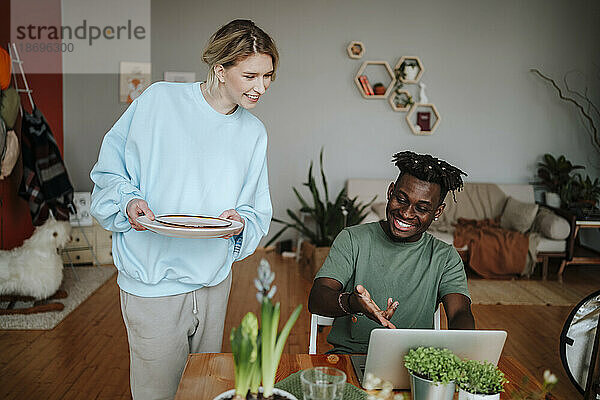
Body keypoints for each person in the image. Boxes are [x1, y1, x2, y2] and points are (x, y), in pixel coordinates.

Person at [89, 19, 277, 399]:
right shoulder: (158, 100)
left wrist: (240, 222)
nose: (262, 87)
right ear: (220, 70)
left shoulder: (254, 132)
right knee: (157, 393)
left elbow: (255, 208)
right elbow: (109, 171)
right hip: (152, 282)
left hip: (213, 282)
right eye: (251, 75)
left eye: (269, 75)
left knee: (205, 390)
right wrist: (128, 201)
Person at [308, 151, 475, 354]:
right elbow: (317, 299)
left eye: (421, 208)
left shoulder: (445, 257)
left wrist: (465, 351)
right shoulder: (353, 239)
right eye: (401, 199)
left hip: (415, 364)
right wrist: (352, 302)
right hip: (350, 357)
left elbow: (459, 313)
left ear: (437, 212)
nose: (406, 213)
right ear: (390, 192)